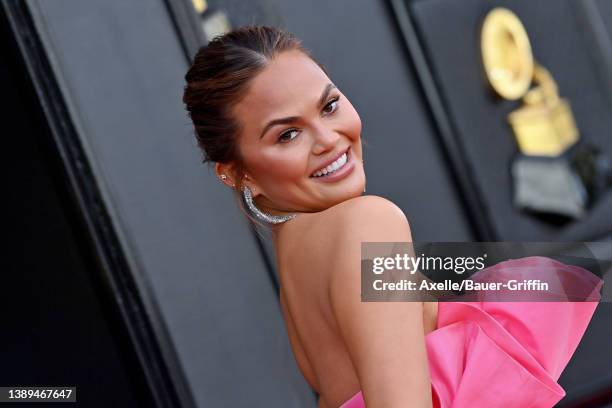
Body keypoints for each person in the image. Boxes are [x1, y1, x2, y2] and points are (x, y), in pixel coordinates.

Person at [182, 25, 601, 408]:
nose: (329, 139)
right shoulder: (368, 224)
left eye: (329, 106)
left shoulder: (297, 269)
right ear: (238, 173)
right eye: (287, 134)